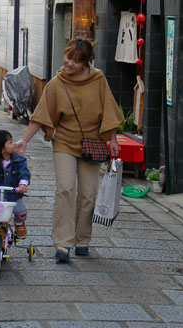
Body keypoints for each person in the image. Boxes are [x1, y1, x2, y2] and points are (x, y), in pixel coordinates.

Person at [16, 38, 124, 262]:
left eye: (76, 60)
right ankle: (63, 243)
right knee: (65, 188)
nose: (70, 63)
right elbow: (42, 116)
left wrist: (113, 138)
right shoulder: (56, 84)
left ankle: (82, 239)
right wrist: (24, 140)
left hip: (92, 144)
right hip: (64, 141)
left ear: (86, 62)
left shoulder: (98, 80)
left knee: (88, 193)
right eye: (68, 57)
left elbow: (109, 110)